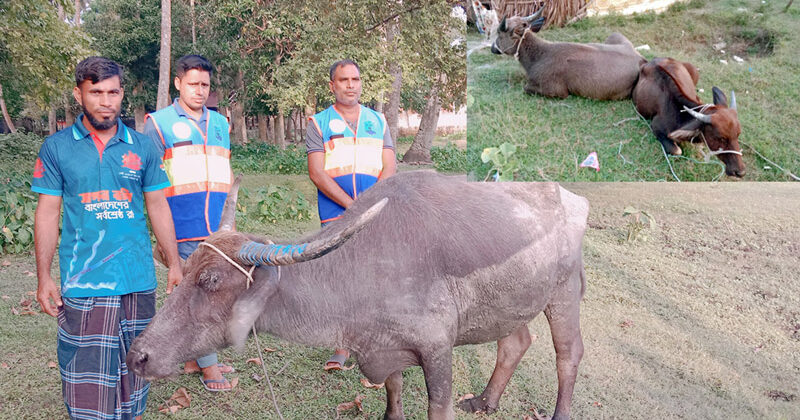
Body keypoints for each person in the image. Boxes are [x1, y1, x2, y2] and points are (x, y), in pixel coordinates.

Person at [33, 56, 183, 420]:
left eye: (113, 92)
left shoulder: (143, 147)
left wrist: (175, 263)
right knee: (85, 382)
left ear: (122, 94)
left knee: (135, 374)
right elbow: (48, 213)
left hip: (136, 281)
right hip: (83, 282)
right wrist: (44, 276)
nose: (106, 101)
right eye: (96, 92)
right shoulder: (57, 148)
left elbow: (158, 206)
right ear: (78, 94)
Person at [143, 54, 235, 391]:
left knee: (215, 293)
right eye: (193, 84)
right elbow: (150, 183)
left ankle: (199, 359)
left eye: (205, 85)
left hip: (217, 229)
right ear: (178, 83)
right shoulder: (159, 123)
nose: (199, 91)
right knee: (199, 298)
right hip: (181, 225)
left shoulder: (221, 124)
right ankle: (210, 369)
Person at [306, 59, 397, 370]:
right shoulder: (318, 123)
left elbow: (390, 167)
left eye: (355, 79)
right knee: (340, 279)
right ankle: (342, 346)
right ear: (332, 85)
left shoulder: (378, 121)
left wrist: (368, 204)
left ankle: (376, 342)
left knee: (377, 275)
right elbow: (317, 173)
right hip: (336, 216)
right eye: (343, 80)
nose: (351, 85)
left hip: (375, 212)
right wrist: (352, 206)